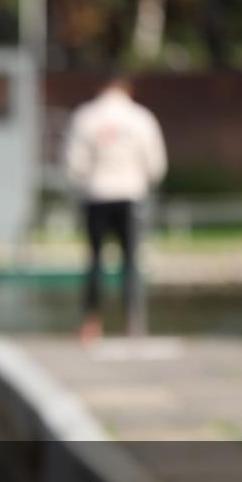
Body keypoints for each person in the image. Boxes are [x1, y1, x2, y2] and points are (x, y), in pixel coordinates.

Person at [62, 76, 167, 344]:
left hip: (96, 196)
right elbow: (156, 164)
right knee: (131, 262)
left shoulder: (85, 116)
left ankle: (90, 324)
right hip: (131, 195)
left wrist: (90, 182)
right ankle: (133, 324)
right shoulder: (141, 117)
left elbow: (74, 164)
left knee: (95, 261)